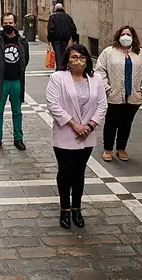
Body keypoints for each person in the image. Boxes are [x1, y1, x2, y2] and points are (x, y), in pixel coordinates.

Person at [46, 44, 108, 229]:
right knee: (65, 172)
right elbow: (53, 104)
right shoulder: (58, 78)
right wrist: (74, 124)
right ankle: (64, 209)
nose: (78, 61)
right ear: (68, 59)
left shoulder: (95, 79)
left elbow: (102, 105)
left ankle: (76, 208)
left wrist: (89, 126)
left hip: (86, 135)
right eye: (74, 57)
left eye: (82, 57)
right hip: (65, 133)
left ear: (88, 59)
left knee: (79, 172)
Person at [95, 25, 142, 162]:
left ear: (133, 37)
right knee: (111, 123)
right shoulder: (108, 52)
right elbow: (100, 71)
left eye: (129, 34)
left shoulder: (140, 53)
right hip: (114, 95)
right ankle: (108, 149)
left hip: (133, 96)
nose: (126, 37)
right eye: (123, 34)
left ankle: (121, 148)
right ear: (118, 36)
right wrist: (107, 88)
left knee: (126, 124)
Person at [0, 13, 30, 151]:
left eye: (10, 23)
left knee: (17, 111)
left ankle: (18, 138)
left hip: (17, 81)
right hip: (1, 82)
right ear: (2, 24)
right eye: (5, 23)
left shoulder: (22, 41)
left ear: (15, 24)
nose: (8, 25)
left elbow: (25, 59)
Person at [47, 3, 78, 71]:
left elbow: (50, 29)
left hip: (56, 39)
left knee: (58, 54)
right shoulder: (67, 17)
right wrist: (74, 38)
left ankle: (59, 69)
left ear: (55, 9)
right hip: (65, 38)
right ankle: (63, 67)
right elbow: (73, 28)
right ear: (62, 8)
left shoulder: (53, 17)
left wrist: (49, 39)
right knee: (63, 53)